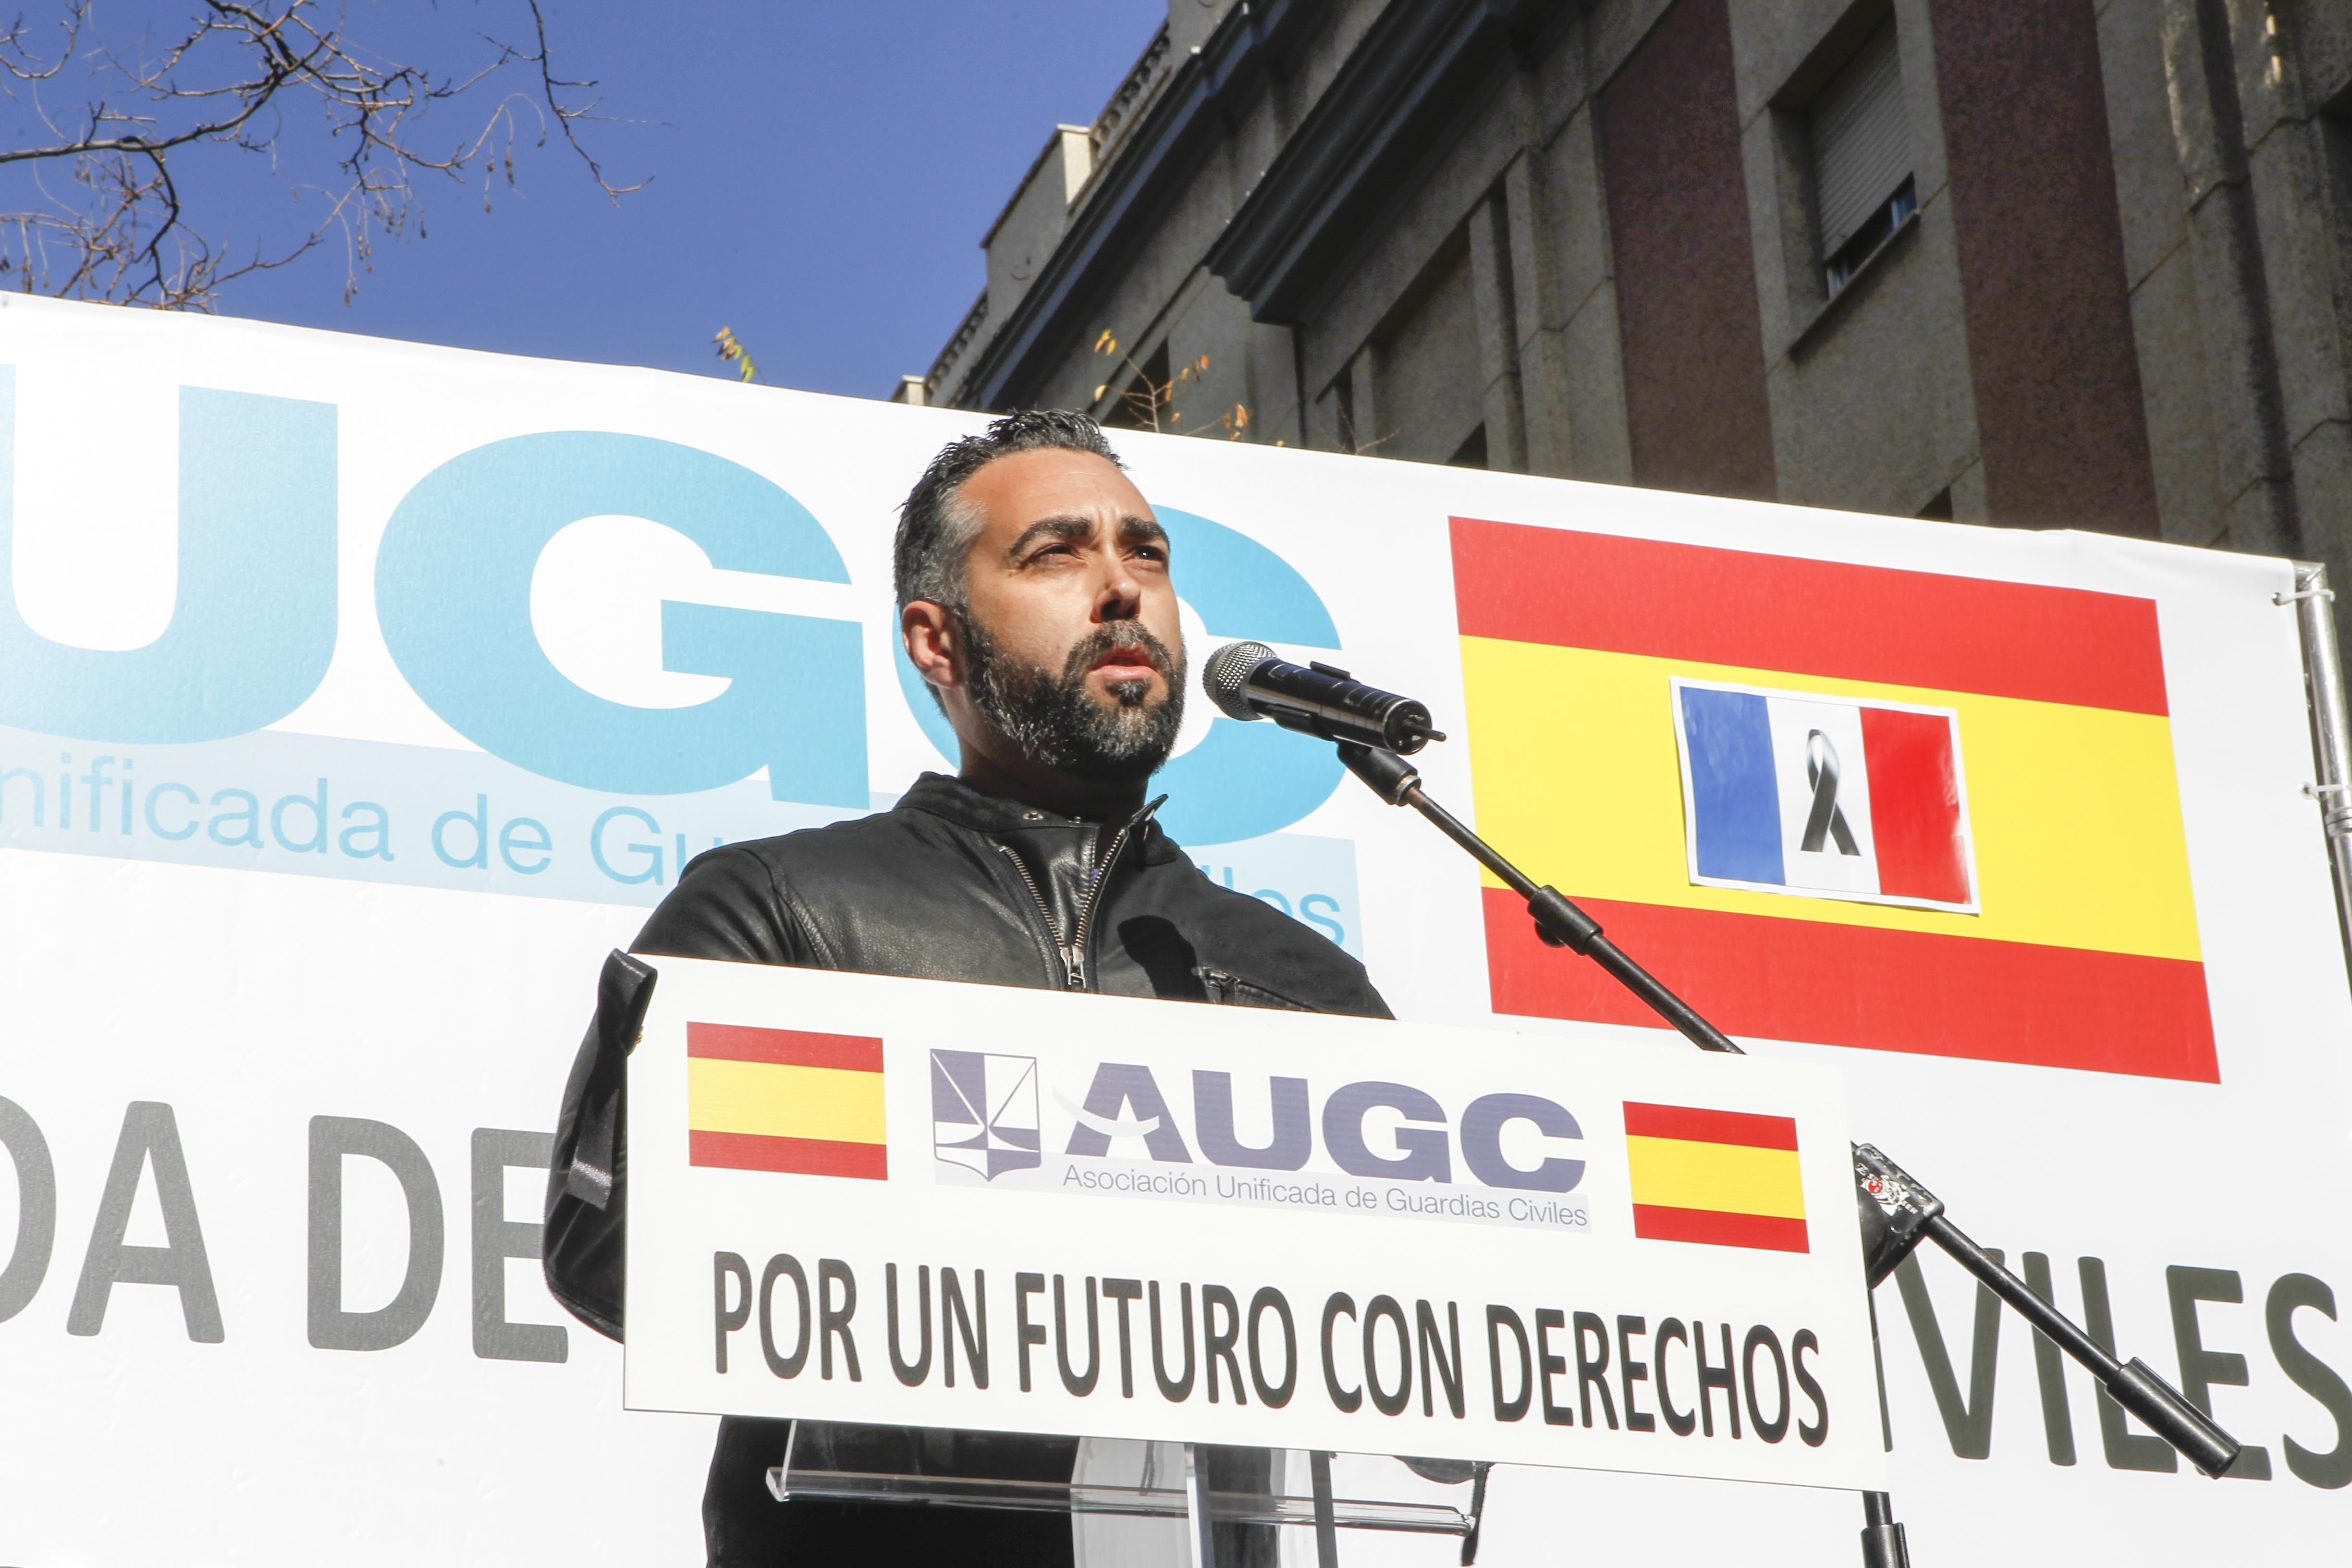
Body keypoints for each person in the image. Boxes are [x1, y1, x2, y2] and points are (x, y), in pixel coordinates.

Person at [542, 409, 1390, 1566]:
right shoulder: (782, 910)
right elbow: (609, 1245)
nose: (1121, 590)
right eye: (1056, 553)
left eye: (1145, 552)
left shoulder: (1304, 979)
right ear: (935, 643)